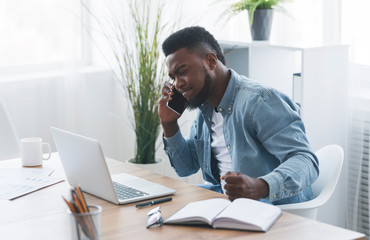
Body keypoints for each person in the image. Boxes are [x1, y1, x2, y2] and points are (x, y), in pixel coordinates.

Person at [158, 26, 319, 205]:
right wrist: (169, 124)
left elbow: (306, 161)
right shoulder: (205, 109)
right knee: (166, 204)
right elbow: (186, 168)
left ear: (211, 61)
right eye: (173, 77)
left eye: (182, 72)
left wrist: (261, 185)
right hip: (225, 201)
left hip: (269, 207)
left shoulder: (260, 102)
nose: (177, 84)